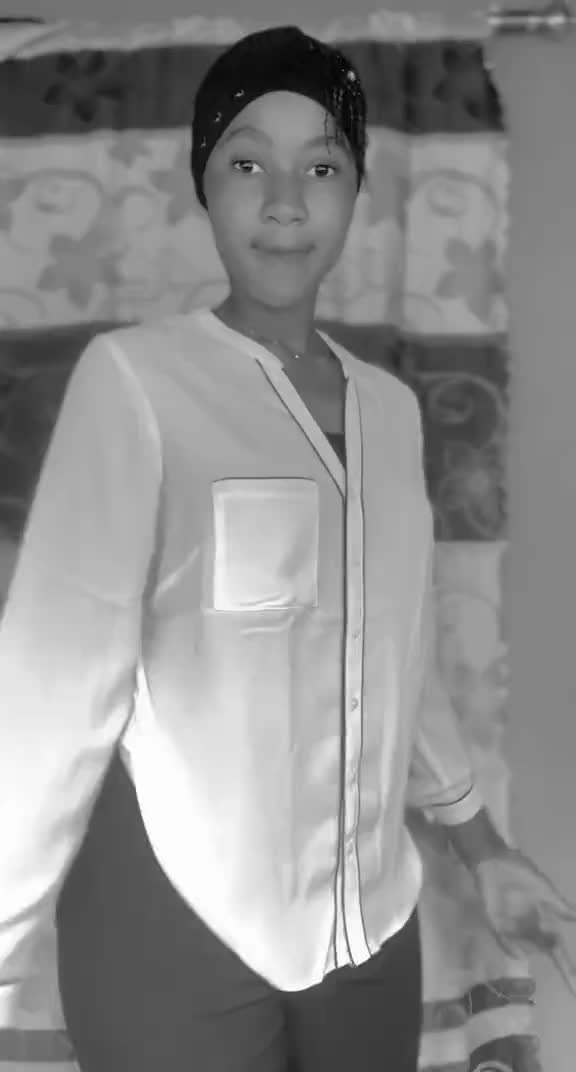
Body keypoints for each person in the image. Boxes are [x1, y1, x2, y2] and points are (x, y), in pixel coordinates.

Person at [0, 24, 574, 1072]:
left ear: (355, 191)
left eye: (321, 167)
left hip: (372, 925)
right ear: (204, 183)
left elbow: (398, 656)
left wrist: (483, 848)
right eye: (246, 164)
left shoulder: (391, 410)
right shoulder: (137, 383)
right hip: (172, 917)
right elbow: (51, 682)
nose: (283, 202)